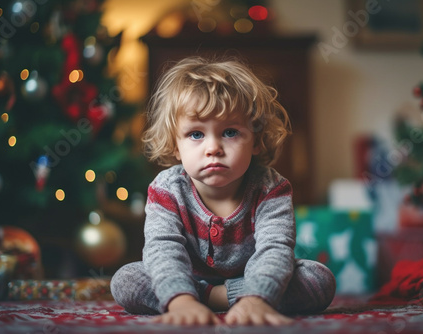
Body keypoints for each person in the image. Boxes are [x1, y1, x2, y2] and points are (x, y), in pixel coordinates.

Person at [110, 56, 336, 326]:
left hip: (253, 282)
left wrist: (258, 298)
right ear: (174, 145)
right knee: (126, 279)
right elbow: (163, 249)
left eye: (229, 132)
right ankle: (205, 299)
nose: (213, 147)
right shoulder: (166, 189)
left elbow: (275, 249)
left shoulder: (270, 188)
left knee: (318, 278)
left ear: (256, 140)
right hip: (188, 281)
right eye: (196, 134)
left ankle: (226, 301)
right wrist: (180, 301)